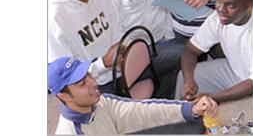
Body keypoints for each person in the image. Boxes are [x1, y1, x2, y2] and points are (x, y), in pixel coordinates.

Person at [48, 56, 218, 135]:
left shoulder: (101, 103)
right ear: (64, 96)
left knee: (194, 125)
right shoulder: (72, 132)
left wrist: (191, 109)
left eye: (89, 76)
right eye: (82, 84)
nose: (93, 83)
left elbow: (141, 111)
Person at [48, 0, 122, 93]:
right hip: (94, 88)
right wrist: (103, 63)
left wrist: (122, 51)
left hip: (122, 69)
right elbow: (66, 76)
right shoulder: (54, 18)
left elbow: (117, 27)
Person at [175, 0, 253, 104]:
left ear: (249, 5)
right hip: (234, 71)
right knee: (185, 76)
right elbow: (190, 50)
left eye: (230, 5)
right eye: (218, 1)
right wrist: (189, 81)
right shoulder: (217, 18)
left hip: (252, 83)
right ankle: (180, 118)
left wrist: (214, 97)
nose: (221, 9)